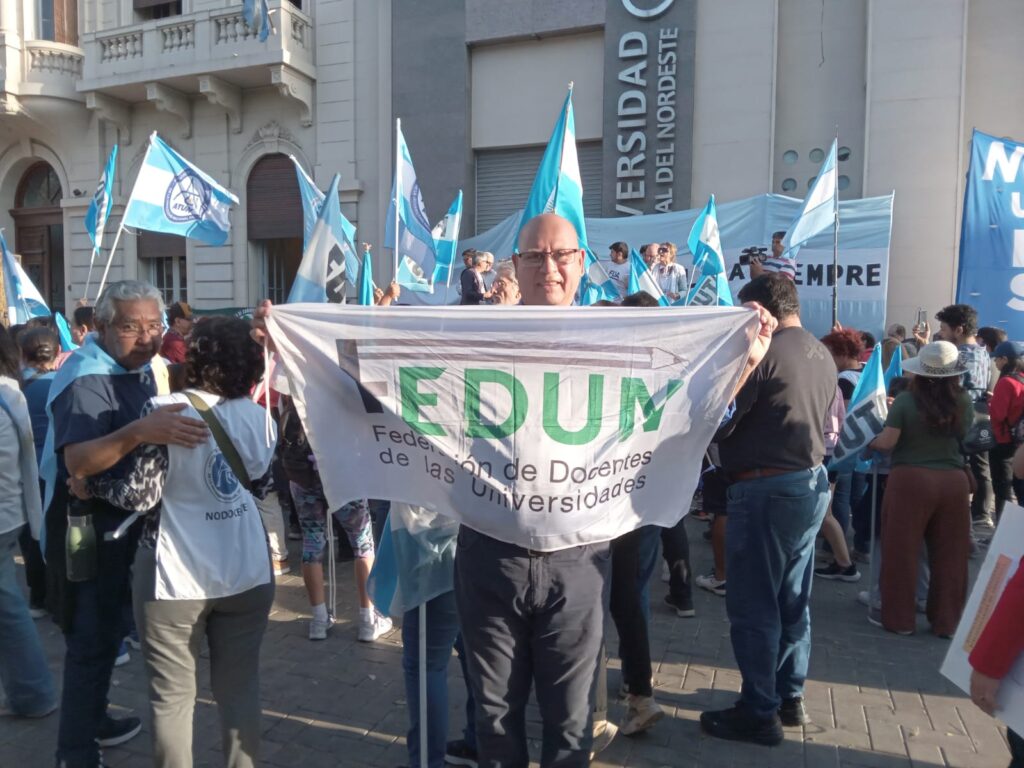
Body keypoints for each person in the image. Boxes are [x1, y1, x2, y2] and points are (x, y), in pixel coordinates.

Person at [75, 316, 277, 768]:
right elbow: (260, 487)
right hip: (246, 567)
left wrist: (91, 485)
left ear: (196, 357)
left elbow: (140, 495)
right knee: (240, 689)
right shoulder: (263, 417)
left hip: (174, 572)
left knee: (172, 697)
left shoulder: (164, 409)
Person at [48, 280, 209, 768]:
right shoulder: (85, 378)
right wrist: (140, 431)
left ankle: (94, 719)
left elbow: (191, 374)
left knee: (110, 633)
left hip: (126, 528)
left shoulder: (142, 367)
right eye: (131, 326)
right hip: (88, 531)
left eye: (154, 325)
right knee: (90, 641)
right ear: (99, 328)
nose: (146, 337)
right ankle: (73, 751)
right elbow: (78, 460)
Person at [700, 273, 835, 747]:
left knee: (755, 605)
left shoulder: (764, 353)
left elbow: (721, 419)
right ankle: (788, 695)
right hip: (807, 484)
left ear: (759, 310)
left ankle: (760, 710)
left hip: (766, 488)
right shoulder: (819, 351)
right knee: (792, 597)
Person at [868, 341, 973, 637]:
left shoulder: (905, 400)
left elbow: (887, 442)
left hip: (911, 479)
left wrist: (871, 443)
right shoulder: (963, 400)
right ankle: (947, 623)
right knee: (951, 555)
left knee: (901, 550)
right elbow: (965, 436)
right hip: (953, 481)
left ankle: (900, 619)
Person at [277, 392, 392, 642]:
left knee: (312, 543)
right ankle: (367, 619)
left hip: (303, 478)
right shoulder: (341, 392)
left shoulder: (296, 392)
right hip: (345, 479)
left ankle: (318, 620)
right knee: (362, 544)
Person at [0, 326, 57, 719]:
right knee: (9, 604)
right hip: (12, 513)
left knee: (9, 608)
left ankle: (33, 692)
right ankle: (31, 691)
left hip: (7, 512)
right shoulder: (12, 391)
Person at [936, 304, 994, 529]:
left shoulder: (957, 356)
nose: (941, 333)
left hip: (961, 415)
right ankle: (982, 513)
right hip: (981, 412)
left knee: (958, 465)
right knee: (981, 465)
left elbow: (953, 389)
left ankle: (961, 516)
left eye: (943, 328)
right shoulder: (983, 352)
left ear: (958, 330)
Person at [814, 329, 864, 582]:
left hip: (829, 449)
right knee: (831, 508)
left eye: (830, 352)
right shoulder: (860, 375)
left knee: (826, 511)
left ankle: (843, 562)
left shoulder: (839, 380)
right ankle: (842, 561)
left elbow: (836, 417)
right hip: (843, 448)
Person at [18, 326, 60, 617]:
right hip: (57, 469)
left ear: (22, 354)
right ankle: (57, 596)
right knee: (56, 531)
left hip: (24, 470)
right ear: (58, 353)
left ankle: (38, 596)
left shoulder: (15, 388)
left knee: (31, 534)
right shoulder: (65, 385)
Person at [988, 341, 1024, 522]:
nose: (995, 363)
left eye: (997, 359)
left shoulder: (1006, 382)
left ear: (1005, 359)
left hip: (1003, 443)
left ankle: (1002, 534)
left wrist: (990, 404)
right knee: (1020, 490)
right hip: (1020, 443)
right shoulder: (1021, 379)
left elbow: (998, 415)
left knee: (1003, 490)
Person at [159, 301, 193, 365]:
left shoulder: (172, 337)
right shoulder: (174, 342)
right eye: (188, 319)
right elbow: (188, 367)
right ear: (177, 321)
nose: (192, 322)